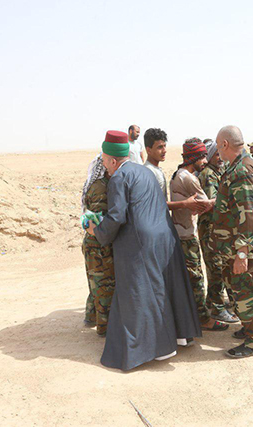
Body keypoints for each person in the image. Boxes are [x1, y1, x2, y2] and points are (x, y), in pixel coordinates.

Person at [86, 130, 201, 371]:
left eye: (105, 161)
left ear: (113, 160)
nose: (104, 166)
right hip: (164, 236)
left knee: (140, 295)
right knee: (164, 288)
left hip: (140, 242)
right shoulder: (144, 171)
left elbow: (117, 216)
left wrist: (97, 231)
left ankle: (157, 348)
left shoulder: (118, 177)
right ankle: (179, 337)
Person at [210, 125, 253, 358]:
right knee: (242, 293)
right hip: (239, 246)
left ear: (225, 144)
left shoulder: (242, 170)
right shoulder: (239, 166)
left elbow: (249, 215)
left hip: (246, 249)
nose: (217, 151)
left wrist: (241, 253)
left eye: (218, 146)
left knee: (247, 295)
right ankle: (250, 329)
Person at [170, 138, 227, 331]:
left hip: (183, 232)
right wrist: (223, 198)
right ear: (193, 157)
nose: (205, 161)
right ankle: (203, 319)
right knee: (196, 279)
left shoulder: (180, 174)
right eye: (202, 157)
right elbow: (205, 204)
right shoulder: (189, 178)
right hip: (186, 235)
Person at [197, 139, 239, 324]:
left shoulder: (218, 171)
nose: (219, 158)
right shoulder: (208, 175)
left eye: (219, 154)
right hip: (210, 228)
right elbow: (213, 202)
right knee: (216, 268)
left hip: (219, 229)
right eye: (215, 155)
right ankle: (217, 308)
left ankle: (213, 302)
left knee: (220, 266)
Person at [81, 158, 115, 336]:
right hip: (98, 245)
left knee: (97, 284)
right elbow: (94, 222)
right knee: (103, 287)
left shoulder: (99, 185)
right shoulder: (101, 188)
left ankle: (91, 316)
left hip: (96, 243)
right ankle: (104, 328)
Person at [143, 128, 208, 213]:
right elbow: (153, 204)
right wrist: (184, 204)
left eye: (165, 146)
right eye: (160, 147)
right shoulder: (149, 172)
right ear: (148, 150)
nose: (164, 151)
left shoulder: (156, 170)